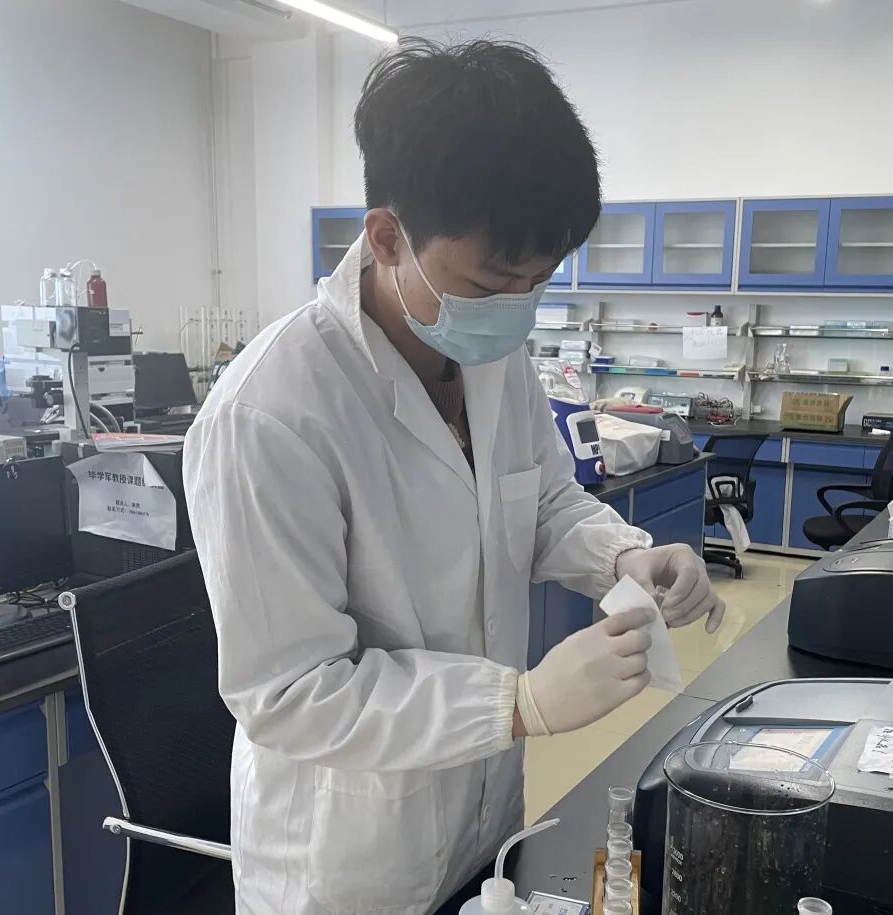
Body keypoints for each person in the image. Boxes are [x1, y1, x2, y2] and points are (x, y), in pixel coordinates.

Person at [183, 38, 724, 915]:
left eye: (538, 281)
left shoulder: (493, 354)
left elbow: (540, 499)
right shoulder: (270, 416)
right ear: (387, 236)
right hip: (348, 871)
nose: (517, 307)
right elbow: (290, 693)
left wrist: (623, 557)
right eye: (495, 279)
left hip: (485, 830)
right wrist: (518, 702)